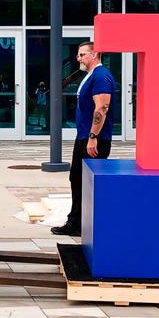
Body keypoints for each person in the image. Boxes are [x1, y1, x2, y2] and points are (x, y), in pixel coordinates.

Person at [52, 41, 116, 237]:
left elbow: (102, 108)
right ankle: (76, 222)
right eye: (78, 55)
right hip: (84, 138)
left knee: (87, 182)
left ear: (94, 54)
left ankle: (85, 224)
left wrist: (93, 137)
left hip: (94, 140)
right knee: (77, 179)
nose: (78, 58)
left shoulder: (101, 76)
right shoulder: (91, 75)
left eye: (82, 54)